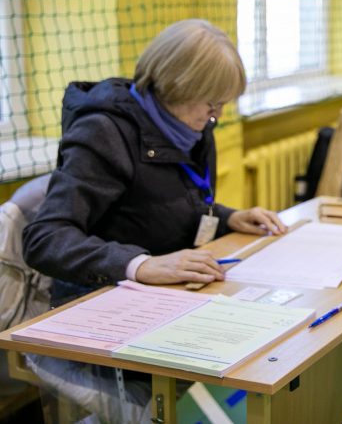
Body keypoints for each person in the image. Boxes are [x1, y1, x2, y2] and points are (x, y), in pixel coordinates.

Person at [24, 19, 286, 306]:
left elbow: (161, 204)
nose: (217, 116)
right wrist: (138, 265)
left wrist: (228, 218)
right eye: (212, 104)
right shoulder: (103, 133)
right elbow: (45, 239)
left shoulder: (190, 127)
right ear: (177, 87)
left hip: (171, 293)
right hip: (101, 298)